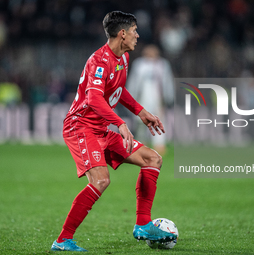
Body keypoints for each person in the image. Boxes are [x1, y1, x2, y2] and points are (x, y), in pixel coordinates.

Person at [51, 11, 177, 252]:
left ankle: (142, 224)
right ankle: (62, 240)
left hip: (100, 129)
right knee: (100, 180)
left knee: (153, 159)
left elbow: (119, 90)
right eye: (134, 31)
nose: (137, 35)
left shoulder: (122, 58)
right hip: (81, 128)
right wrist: (120, 123)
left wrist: (140, 111)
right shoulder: (99, 61)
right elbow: (94, 98)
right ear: (122, 34)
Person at [127, 44, 174, 155]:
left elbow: (167, 82)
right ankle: (141, 144)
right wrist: (131, 97)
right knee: (140, 122)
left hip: (157, 98)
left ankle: (159, 145)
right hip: (142, 98)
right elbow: (133, 82)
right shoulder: (139, 64)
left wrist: (168, 97)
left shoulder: (162, 64)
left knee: (159, 120)